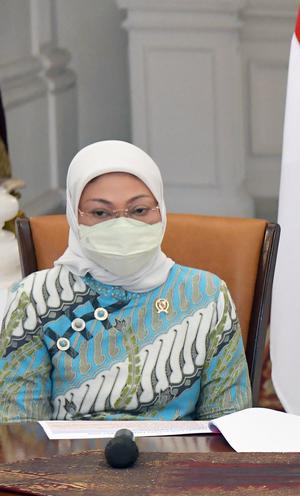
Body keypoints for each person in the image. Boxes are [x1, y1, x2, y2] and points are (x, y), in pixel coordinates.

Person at [0, 140, 251, 421]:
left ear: (161, 210)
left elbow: (230, 425)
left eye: (139, 210)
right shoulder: (34, 299)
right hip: (71, 463)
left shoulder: (206, 295)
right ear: (74, 217)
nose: (122, 224)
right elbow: (20, 434)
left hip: (181, 462)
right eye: (100, 213)